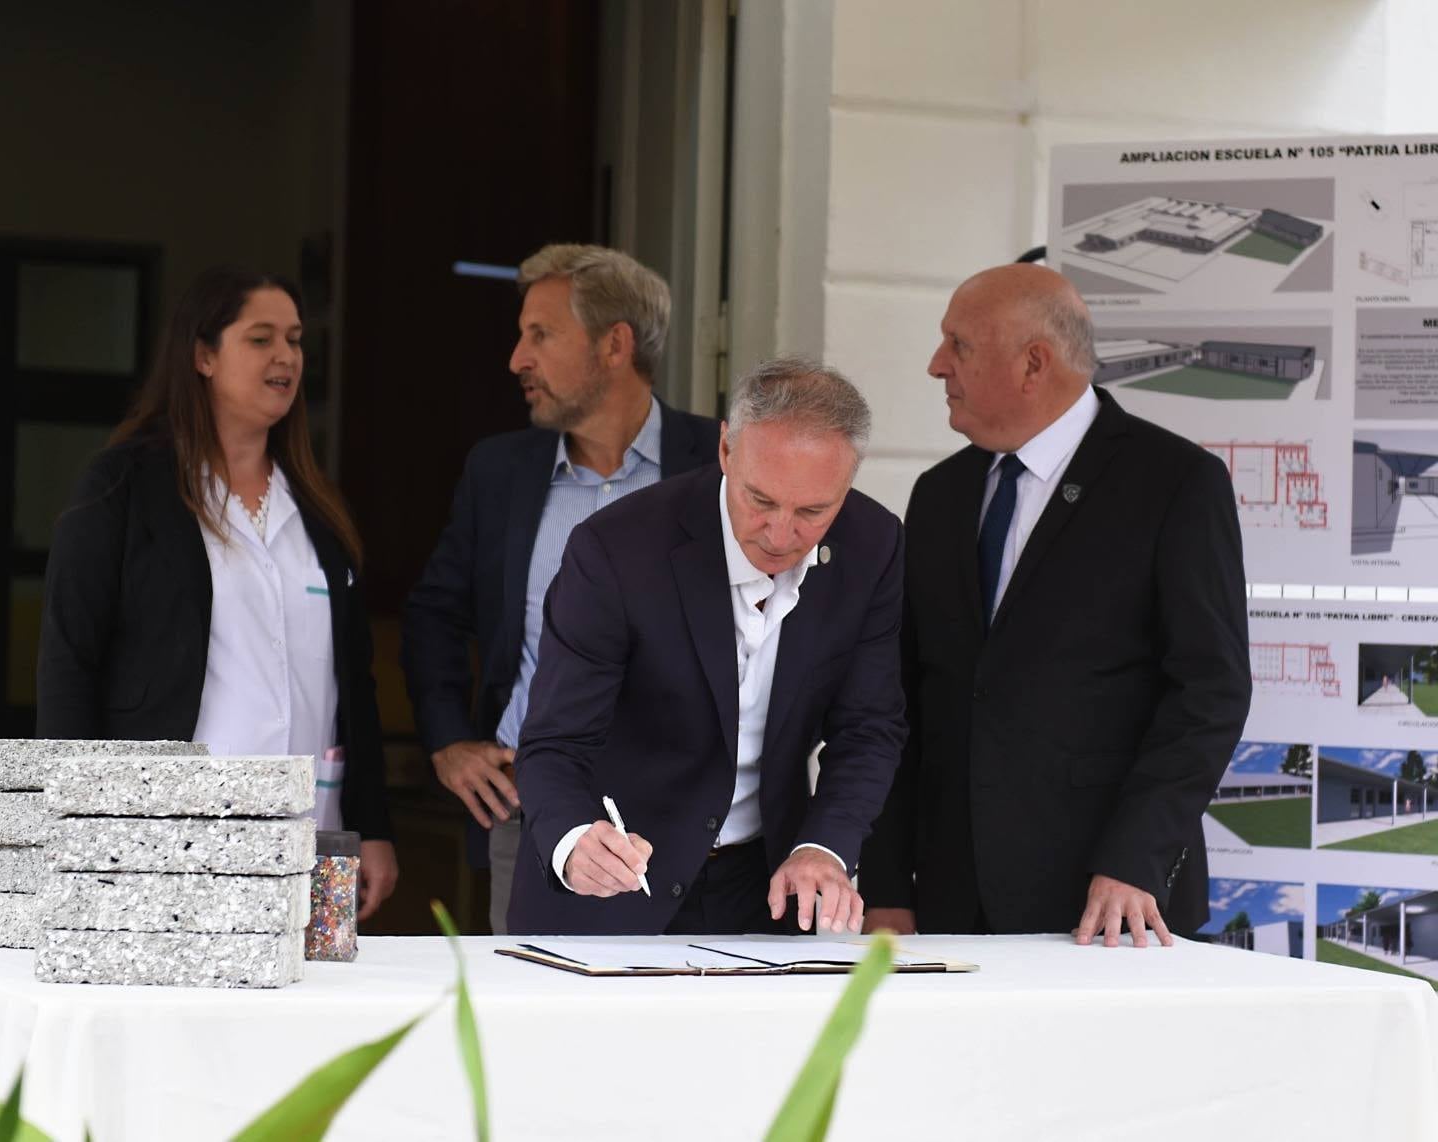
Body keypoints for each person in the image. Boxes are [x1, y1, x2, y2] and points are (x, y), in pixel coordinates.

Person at [860, 264, 1251, 947]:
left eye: (959, 346)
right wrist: (887, 885)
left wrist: (1136, 860)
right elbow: (899, 702)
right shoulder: (939, 495)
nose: (935, 366)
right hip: (949, 905)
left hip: (1108, 906)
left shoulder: (1174, 484)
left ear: (1033, 363)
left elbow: (1209, 693)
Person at [37, 266, 397, 922]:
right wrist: (76, 822)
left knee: (311, 1017)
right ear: (203, 355)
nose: (285, 356)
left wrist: (372, 827)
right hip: (165, 837)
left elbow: (357, 689)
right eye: (260, 339)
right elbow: (70, 659)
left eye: (294, 339)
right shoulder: (125, 485)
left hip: (312, 838)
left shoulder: (316, 509)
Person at [508, 358, 906, 936]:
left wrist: (825, 847)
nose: (780, 533)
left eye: (813, 512)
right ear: (726, 450)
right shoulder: (616, 548)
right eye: (761, 500)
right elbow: (553, 740)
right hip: (613, 890)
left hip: (767, 888)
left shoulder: (873, 544)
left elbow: (869, 727)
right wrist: (573, 841)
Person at [401, 243, 719, 933]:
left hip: (688, 831)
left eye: (539, 335)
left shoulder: (721, 461)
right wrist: (450, 740)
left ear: (614, 345)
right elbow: (435, 613)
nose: (517, 358)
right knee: (530, 1031)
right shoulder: (499, 471)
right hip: (535, 822)